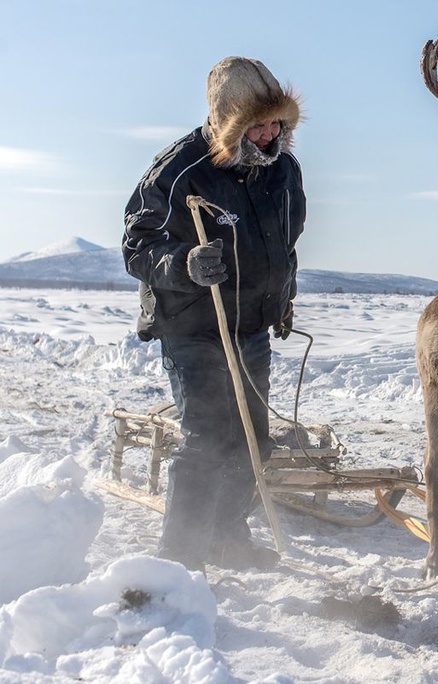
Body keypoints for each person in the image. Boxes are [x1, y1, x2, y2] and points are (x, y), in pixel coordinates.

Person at [122, 56, 305, 572]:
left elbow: (286, 242)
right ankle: (179, 560)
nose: (270, 135)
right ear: (230, 119)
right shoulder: (181, 171)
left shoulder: (283, 170)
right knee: (208, 439)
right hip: (193, 326)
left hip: (250, 325)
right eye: (258, 123)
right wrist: (182, 263)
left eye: (278, 123)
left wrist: (282, 297)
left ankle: (227, 538)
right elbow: (137, 246)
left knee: (252, 438)